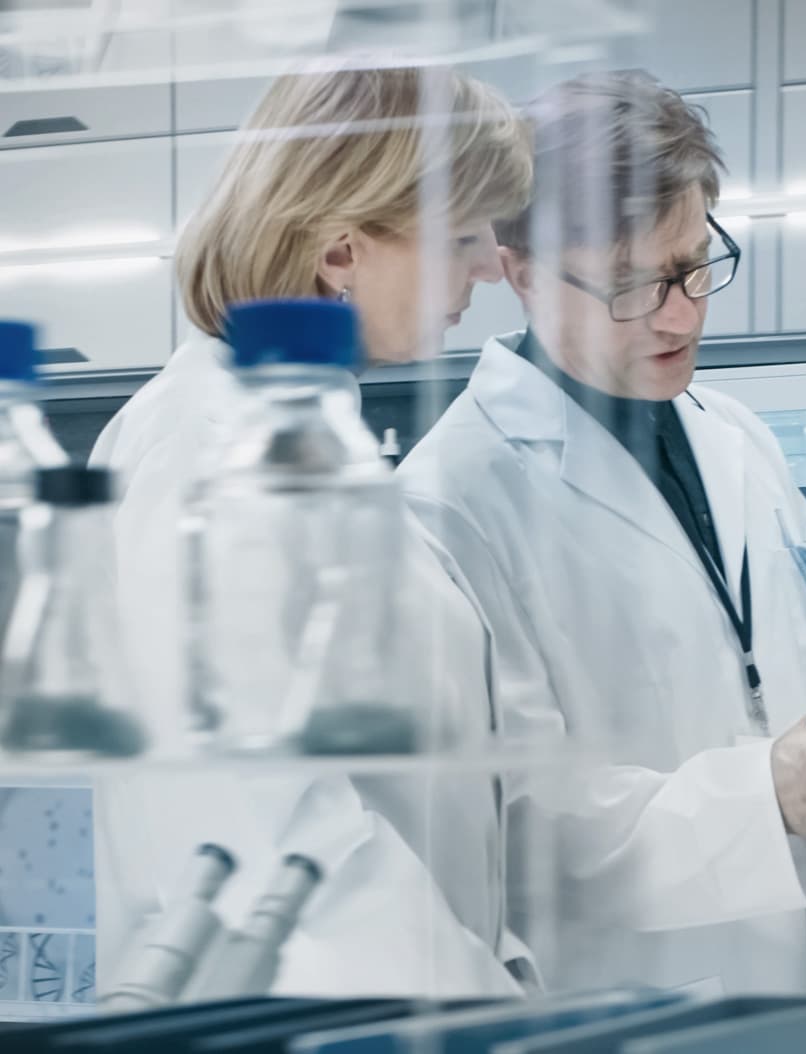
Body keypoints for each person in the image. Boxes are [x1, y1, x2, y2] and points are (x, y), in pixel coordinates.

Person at [396, 70, 806, 1049]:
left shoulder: (734, 435)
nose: (680, 315)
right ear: (518, 267)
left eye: (695, 264)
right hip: (647, 1002)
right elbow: (512, 828)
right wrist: (767, 800)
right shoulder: (451, 498)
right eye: (632, 284)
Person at [89, 60, 534, 998]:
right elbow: (263, 826)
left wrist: (501, 964)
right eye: (461, 236)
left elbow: (419, 794)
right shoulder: (208, 449)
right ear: (340, 252)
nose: (494, 264)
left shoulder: (303, 437)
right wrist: (486, 1009)